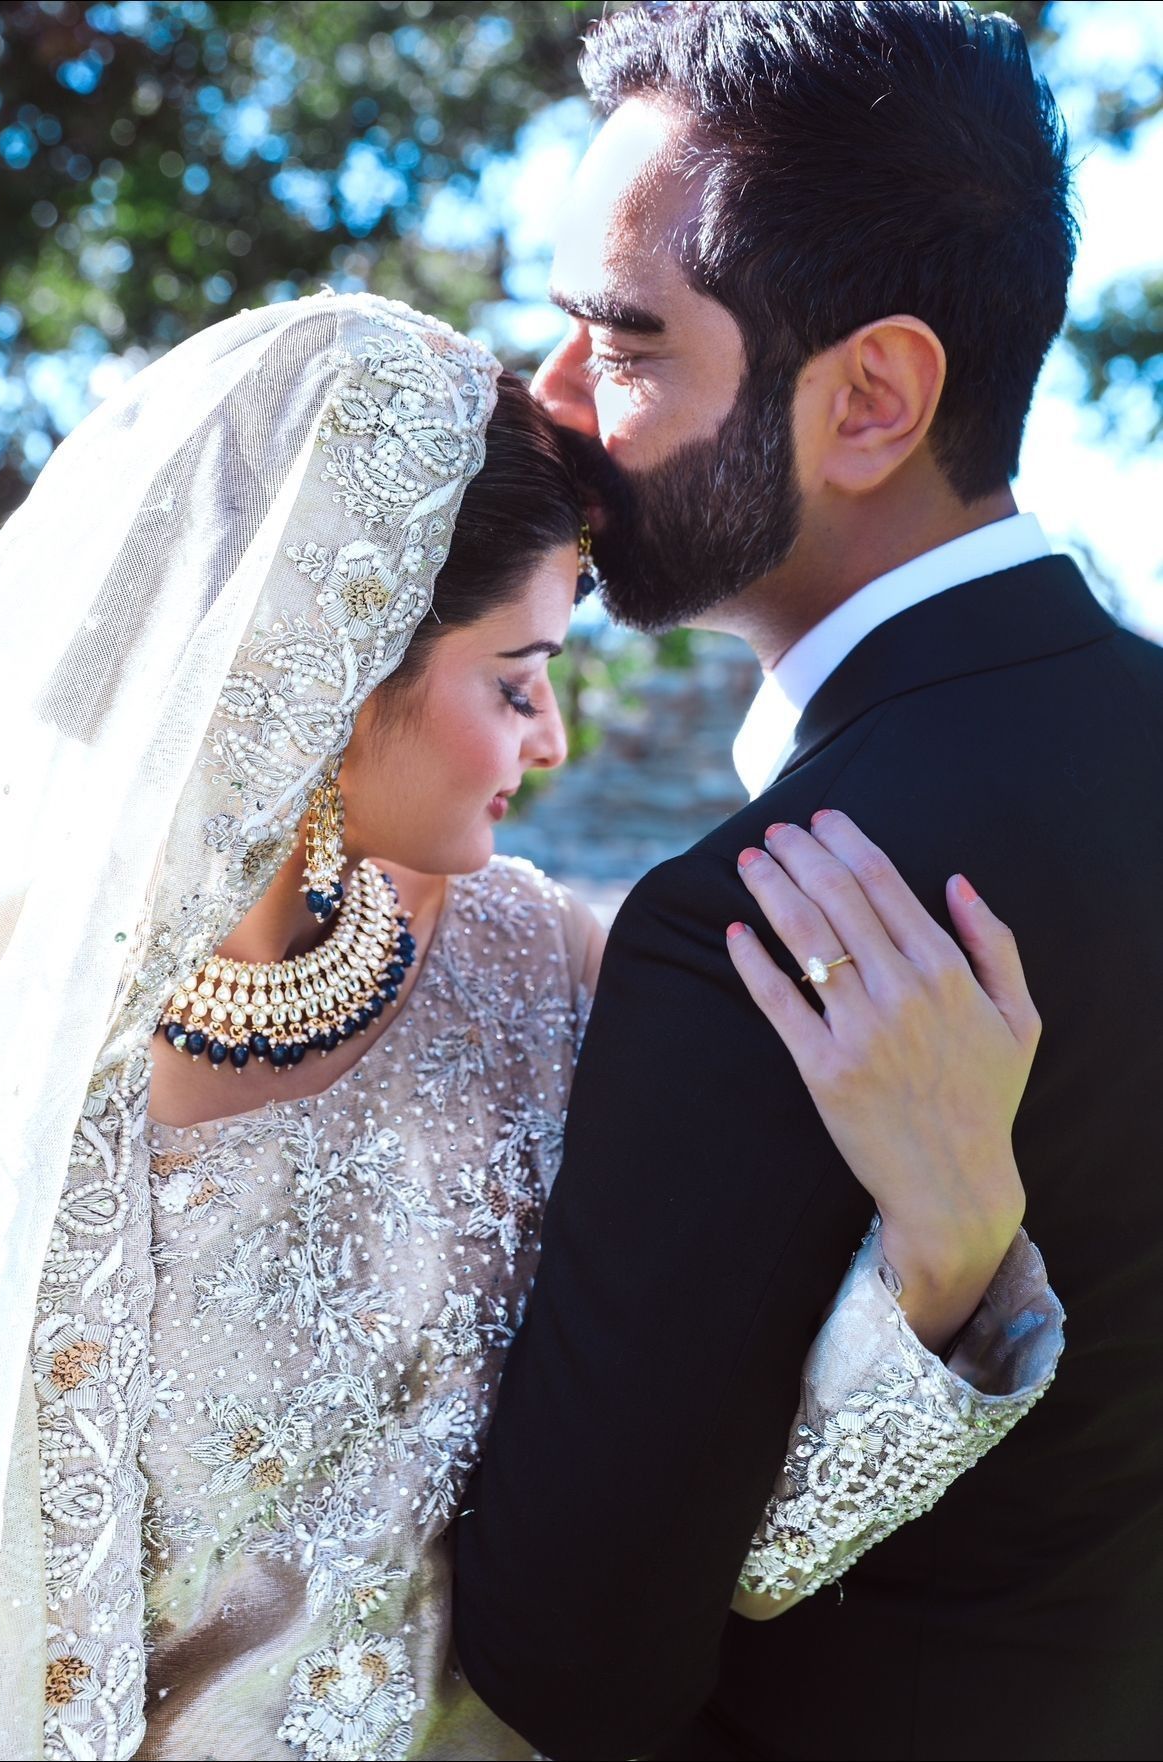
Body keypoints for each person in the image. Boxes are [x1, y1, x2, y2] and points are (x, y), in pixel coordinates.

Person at [0, 293, 1060, 1762]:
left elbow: (699, 1533)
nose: (551, 741)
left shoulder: (553, 975)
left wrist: (951, 1247)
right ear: (332, 672)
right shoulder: (19, 1023)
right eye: (517, 680)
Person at [452, 6, 1163, 1760]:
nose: (552, 402)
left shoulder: (775, 928)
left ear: (870, 401)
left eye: (625, 342)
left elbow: (572, 1663)